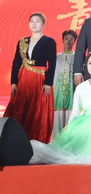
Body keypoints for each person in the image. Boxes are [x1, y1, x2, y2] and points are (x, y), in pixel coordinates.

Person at [30, 49, 91, 164]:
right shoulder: (81, 88)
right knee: (65, 151)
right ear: (86, 66)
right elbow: (75, 112)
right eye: (90, 63)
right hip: (84, 126)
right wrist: (68, 130)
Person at [5, 13, 57, 142]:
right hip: (24, 79)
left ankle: (35, 140)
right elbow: (16, 62)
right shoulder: (22, 42)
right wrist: (13, 82)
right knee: (20, 108)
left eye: (37, 21)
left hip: (40, 79)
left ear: (43, 24)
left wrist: (48, 83)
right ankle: (15, 140)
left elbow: (52, 63)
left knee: (37, 110)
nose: (34, 24)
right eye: (32, 21)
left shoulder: (49, 42)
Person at [52, 29, 77, 138]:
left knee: (72, 119)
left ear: (74, 41)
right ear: (62, 41)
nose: (68, 41)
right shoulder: (56, 58)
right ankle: (56, 141)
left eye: (71, 39)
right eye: (66, 39)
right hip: (58, 92)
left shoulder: (77, 57)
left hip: (72, 91)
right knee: (57, 118)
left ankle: (71, 141)